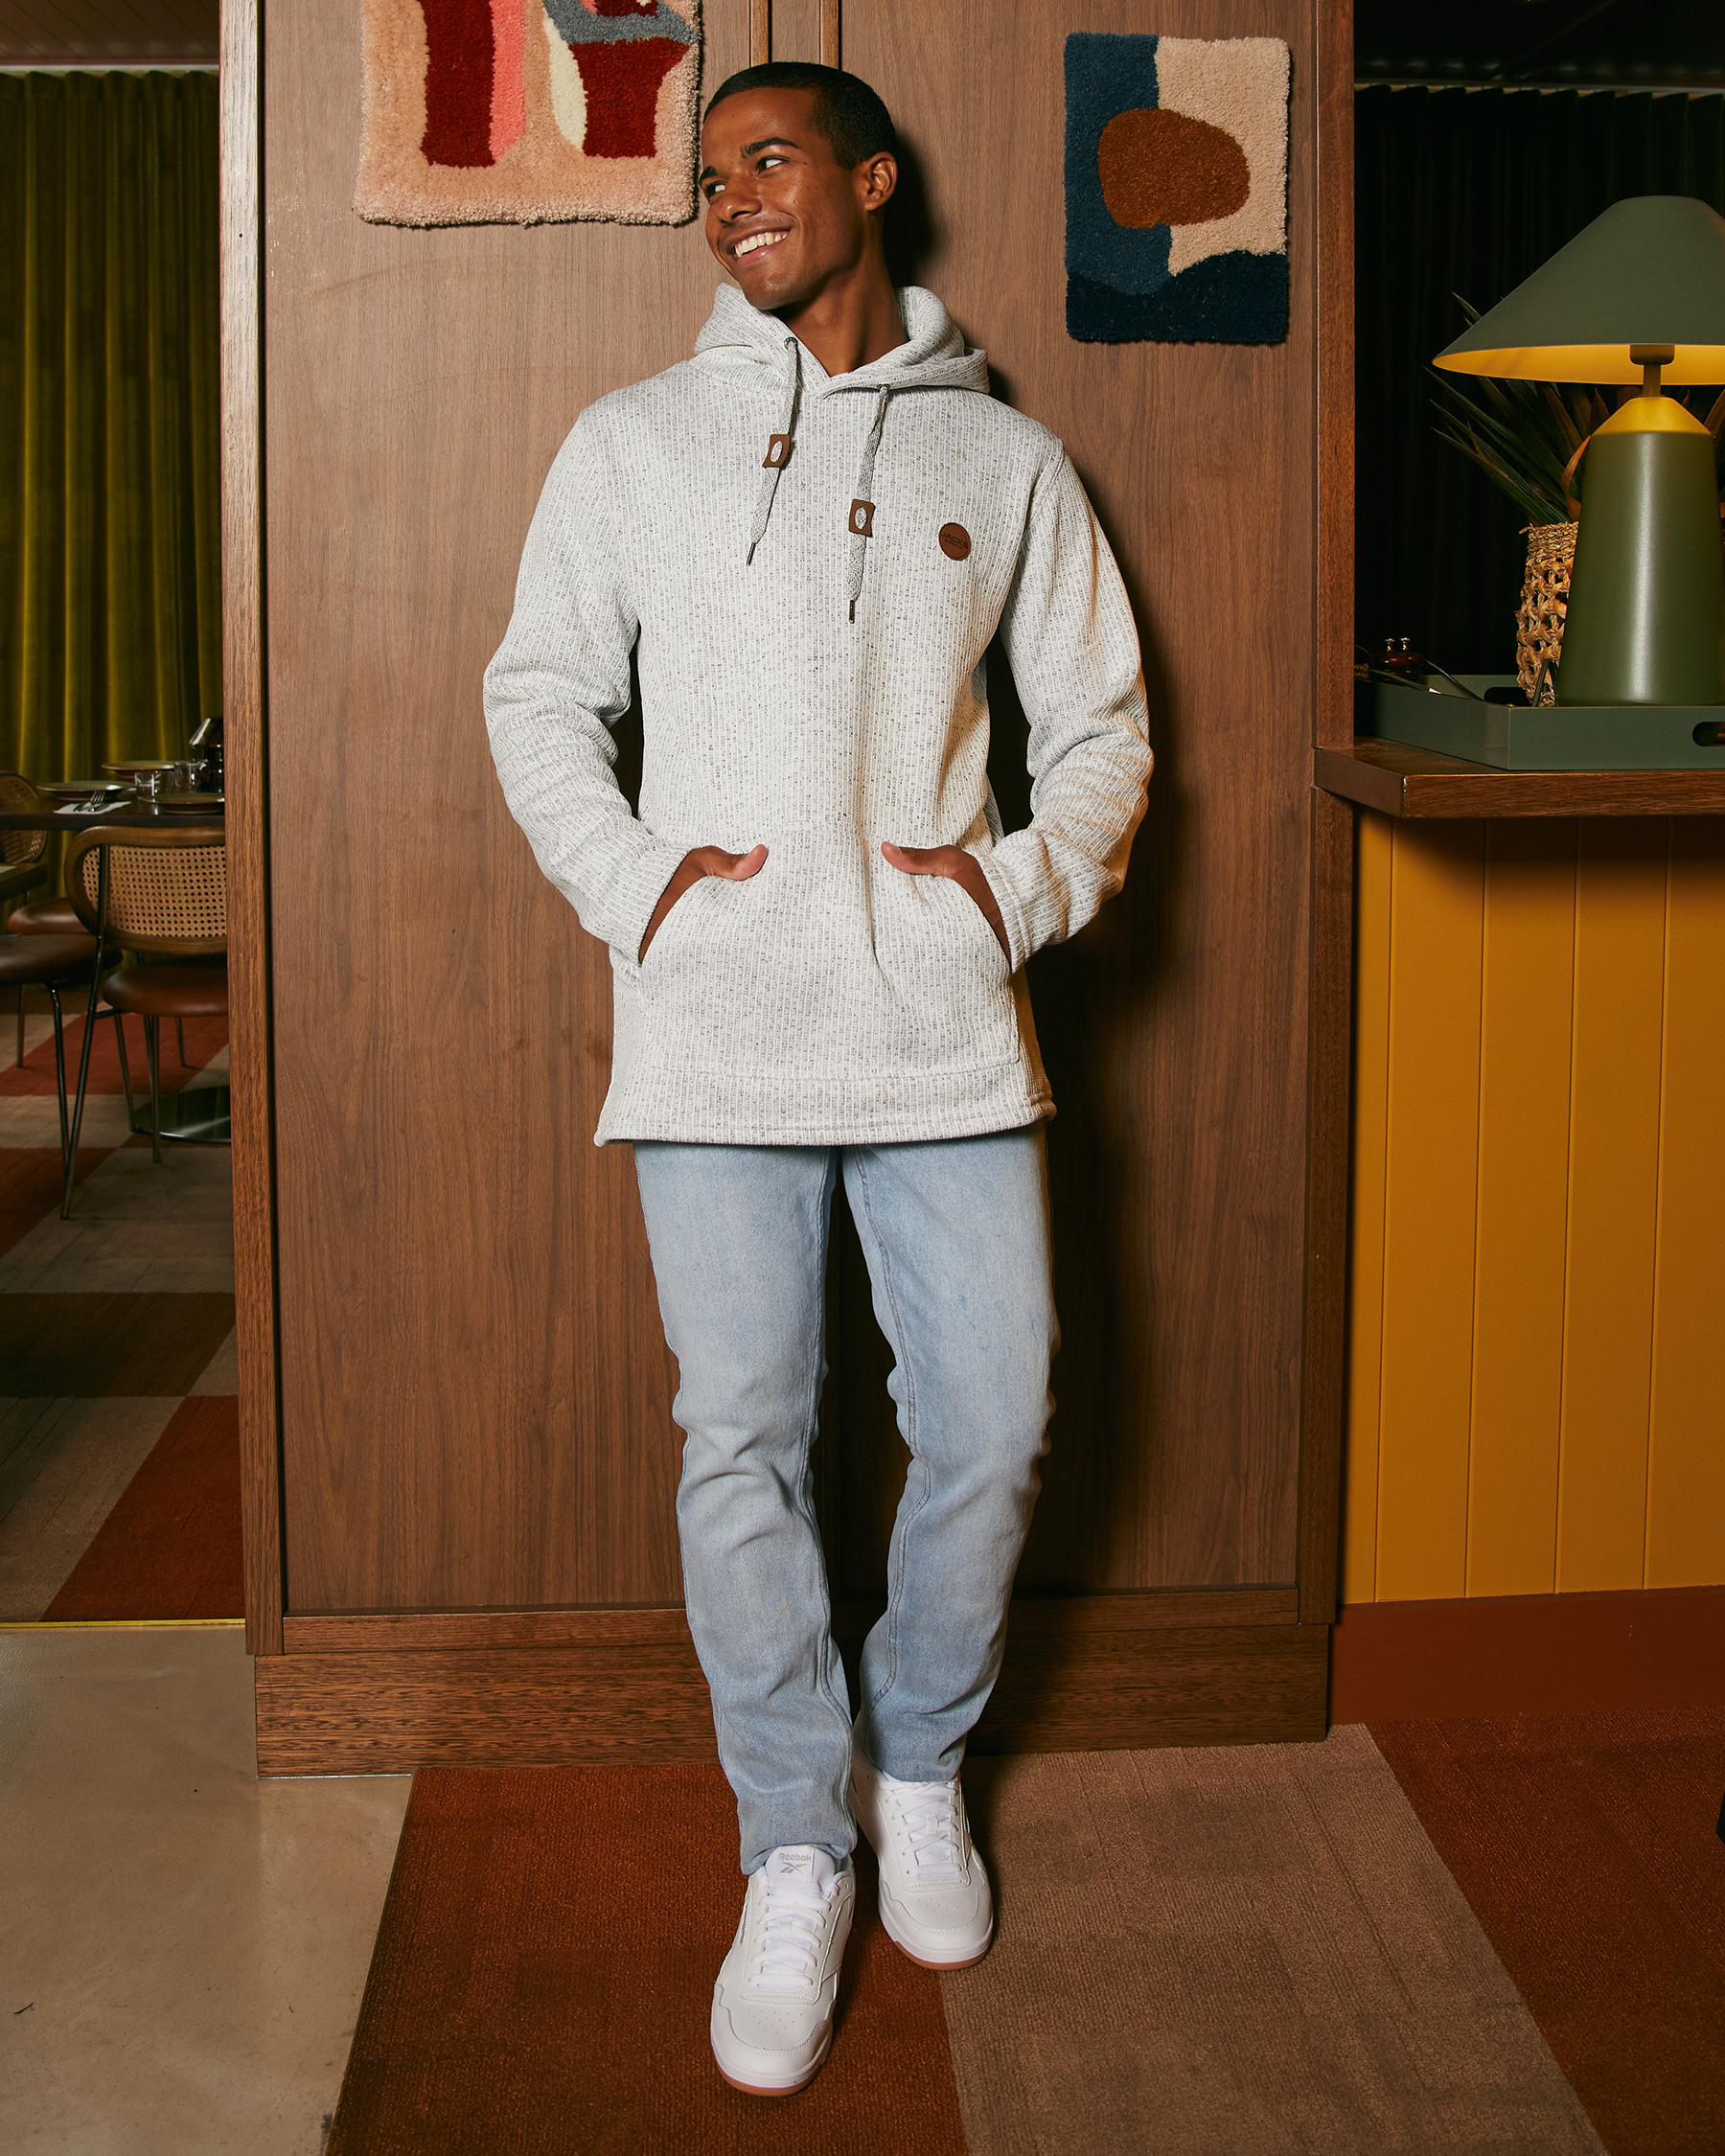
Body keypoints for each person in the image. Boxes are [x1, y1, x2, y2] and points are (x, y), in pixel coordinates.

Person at [483, 59, 1153, 2098]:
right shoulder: (629, 443)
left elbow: (1104, 731)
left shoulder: (1006, 459)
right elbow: (537, 695)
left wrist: (1011, 894)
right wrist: (639, 893)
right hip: (713, 1037)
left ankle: (918, 1761)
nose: (731, 204)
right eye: (709, 181)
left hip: (941, 1034)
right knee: (744, 1446)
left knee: (996, 1420)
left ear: (870, 178)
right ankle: (795, 1836)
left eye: (765, 162)